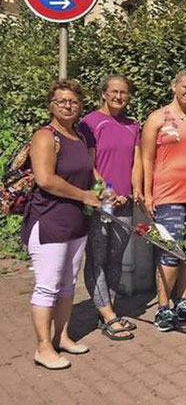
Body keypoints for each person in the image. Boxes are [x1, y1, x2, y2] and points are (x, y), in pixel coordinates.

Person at [23, 79, 101, 369]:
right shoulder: (45, 137)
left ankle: (63, 337)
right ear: (50, 105)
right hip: (50, 223)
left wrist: (104, 191)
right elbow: (45, 179)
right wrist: (84, 195)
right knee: (48, 286)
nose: (68, 106)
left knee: (68, 284)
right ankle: (43, 348)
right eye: (61, 101)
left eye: (73, 102)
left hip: (76, 223)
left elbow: (90, 173)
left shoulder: (78, 136)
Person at [142, 70, 186, 331]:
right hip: (168, 194)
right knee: (171, 251)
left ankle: (182, 301)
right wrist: (147, 194)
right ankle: (163, 306)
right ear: (174, 86)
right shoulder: (157, 118)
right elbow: (146, 158)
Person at [79, 74, 141, 341]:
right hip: (100, 202)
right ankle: (108, 316)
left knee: (115, 259)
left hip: (124, 201)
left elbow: (136, 162)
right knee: (97, 259)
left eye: (124, 92)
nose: (118, 96)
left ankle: (107, 310)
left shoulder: (133, 125)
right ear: (103, 93)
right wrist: (105, 190)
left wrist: (135, 190)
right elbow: (88, 164)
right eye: (114, 91)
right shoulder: (90, 123)